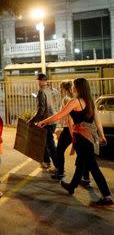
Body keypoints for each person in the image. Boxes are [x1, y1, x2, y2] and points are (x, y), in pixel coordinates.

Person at [37, 78, 113, 206]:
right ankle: (72, 186)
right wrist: (102, 135)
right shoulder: (89, 101)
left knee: (93, 167)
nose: (71, 87)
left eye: (73, 85)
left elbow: (59, 115)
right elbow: (97, 120)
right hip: (89, 137)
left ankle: (107, 196)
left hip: (81, 137)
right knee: (81, 163)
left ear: (77, 87)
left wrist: (43, 121)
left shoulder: (75, 101)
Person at [51, 81, 90, 185]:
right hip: (76, 129)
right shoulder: (76, 99)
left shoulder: (67, 100)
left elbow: (69, 119)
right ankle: (86, 178)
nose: (59, 90)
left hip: (69, 129)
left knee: (59, 149)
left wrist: (72, 134)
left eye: (60, 88)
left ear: (64, 88)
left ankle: (60, 172)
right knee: (81, 154)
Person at [29, 73, 58, 170]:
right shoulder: (52, 90)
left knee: (49, 144)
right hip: (53, 120)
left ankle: (58, 166)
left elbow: (41, 109)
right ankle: (46, 161)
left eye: (38, 80)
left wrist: (33, 120)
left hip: (46, 121)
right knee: (45, 142)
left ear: (41, 81)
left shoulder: (41, 92)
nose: (37, 82)